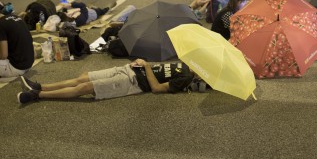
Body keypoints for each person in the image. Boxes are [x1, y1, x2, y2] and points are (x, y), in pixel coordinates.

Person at [17, 59, 195, 104]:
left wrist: (147, 66)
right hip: (129, 69)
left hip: (133, 83)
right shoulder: (185, 64)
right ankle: (41, 86)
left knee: (85, 87)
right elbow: (159, 70)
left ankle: (37, 95)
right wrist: (142, 63)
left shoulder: (186, 78)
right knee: (83, 77)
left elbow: (156, 88)